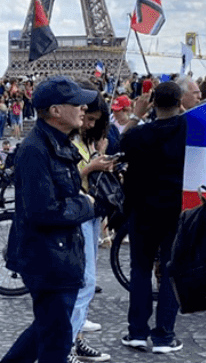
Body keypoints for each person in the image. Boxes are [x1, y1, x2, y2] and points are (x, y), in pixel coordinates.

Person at [1, 76, 99, 363]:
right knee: (55, 339)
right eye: (76, 102)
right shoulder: (36, 149)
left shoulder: (54, 142)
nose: (84, 107)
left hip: (58, 254)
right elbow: (43, 211)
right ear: (56, 111)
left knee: (47, 330)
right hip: (49, 258)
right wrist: (86, 204)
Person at [118, 81, 188, 354]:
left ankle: (137, 331)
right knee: (170, 272)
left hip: (142, 210)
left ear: (152, 103)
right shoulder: (187, 129)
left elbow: (121, 141)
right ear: (180, 102)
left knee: (140, 270)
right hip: (175, 210)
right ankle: (164, 336)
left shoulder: (138, 135)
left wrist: (137, 114)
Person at [69, 90, 116, 362]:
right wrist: (91, 167)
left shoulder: (84, 140)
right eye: (89, 118)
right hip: (78, 213)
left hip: (91, 212)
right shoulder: (67, 141)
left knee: (86, 281)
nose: (89, 124)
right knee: (84, 281)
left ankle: (76, 338)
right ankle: (69, 344)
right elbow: (66, 179)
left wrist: (100, 161)